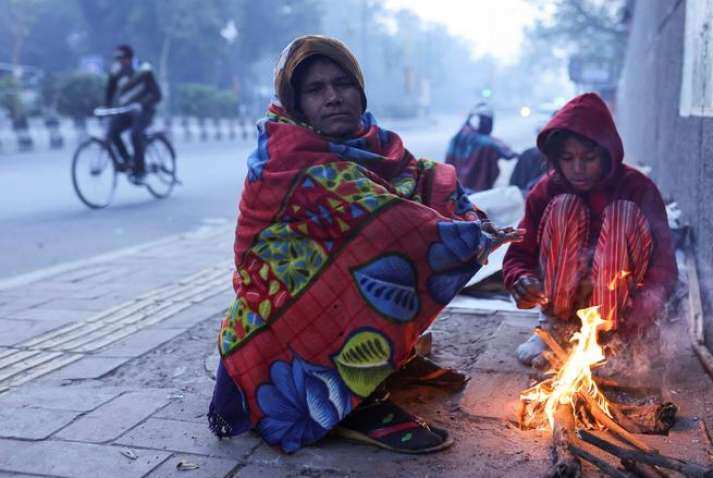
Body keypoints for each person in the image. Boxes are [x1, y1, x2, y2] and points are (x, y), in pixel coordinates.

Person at [207, 35, 521, 455]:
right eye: (315, 90)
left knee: (407, 223)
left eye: (343, 83)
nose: (333, 97)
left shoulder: (376, 143)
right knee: (380, 247)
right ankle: (354, 400)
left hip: (319, 300)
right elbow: (391, 221)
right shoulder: (288, 157)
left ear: (360, 88)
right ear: (295, 102)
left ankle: (382, 363)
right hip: (277, 322)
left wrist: (468, 218)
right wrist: (467, 235)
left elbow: (423, 179)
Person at [502, 93, 677, 367]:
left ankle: (615, 340)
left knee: (622, 213)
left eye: (589, 157)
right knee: (564, 207)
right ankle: (555, 332)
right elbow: (518, 255)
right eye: (568, 158)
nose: (578, 168)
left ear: (607, 154)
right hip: (564, 302)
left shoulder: (637, 188)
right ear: (556, 159)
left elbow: (664, 267)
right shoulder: (546, 190)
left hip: (622, 312)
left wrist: (643, 311)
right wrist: (521, 280)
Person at [104, 44, 162, 183]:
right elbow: (109, 93)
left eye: (123, 58)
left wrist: (142, 104)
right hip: (126, 111)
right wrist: (106, 108)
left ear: (130, 58)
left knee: (135, 134)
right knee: (112, 132)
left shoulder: (144, 69)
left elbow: (157, 95)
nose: (120, 62)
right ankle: (127, 160)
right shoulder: (115, 71)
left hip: (145, 111)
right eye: (117, 59)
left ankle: (140, 171)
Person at [445, 103, 517, 192]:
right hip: (474, 190)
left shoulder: (458, 137)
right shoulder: (486, 143)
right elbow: (508, 154)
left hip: (455, 189)